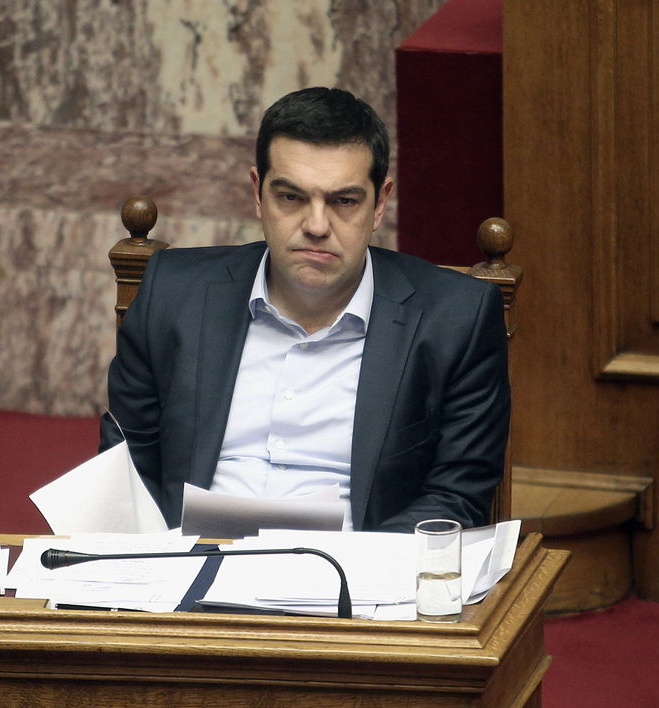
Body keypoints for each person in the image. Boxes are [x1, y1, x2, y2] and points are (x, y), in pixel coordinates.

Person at [100, 87, 509, 533]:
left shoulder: (456, 319)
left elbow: (455, 496)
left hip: (353, 567)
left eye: (344, 201)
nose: (316, 226)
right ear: (258, 194)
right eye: (291, 198)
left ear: (380, 203)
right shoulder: (174, 294)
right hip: (190, 560)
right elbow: (126, 466)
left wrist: (357, 563)